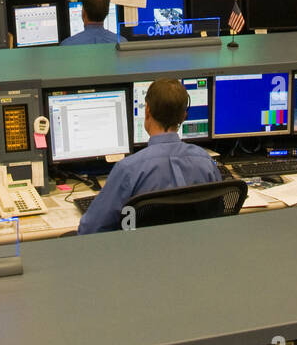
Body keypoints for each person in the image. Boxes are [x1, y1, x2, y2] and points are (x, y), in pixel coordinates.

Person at [78, 79, 221, 234]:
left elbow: (90, 229)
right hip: (195, 252)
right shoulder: (205, 161)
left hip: (142, 254)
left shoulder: (128, 169)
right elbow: (219, 216)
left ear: (147, 110)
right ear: (183, 115)